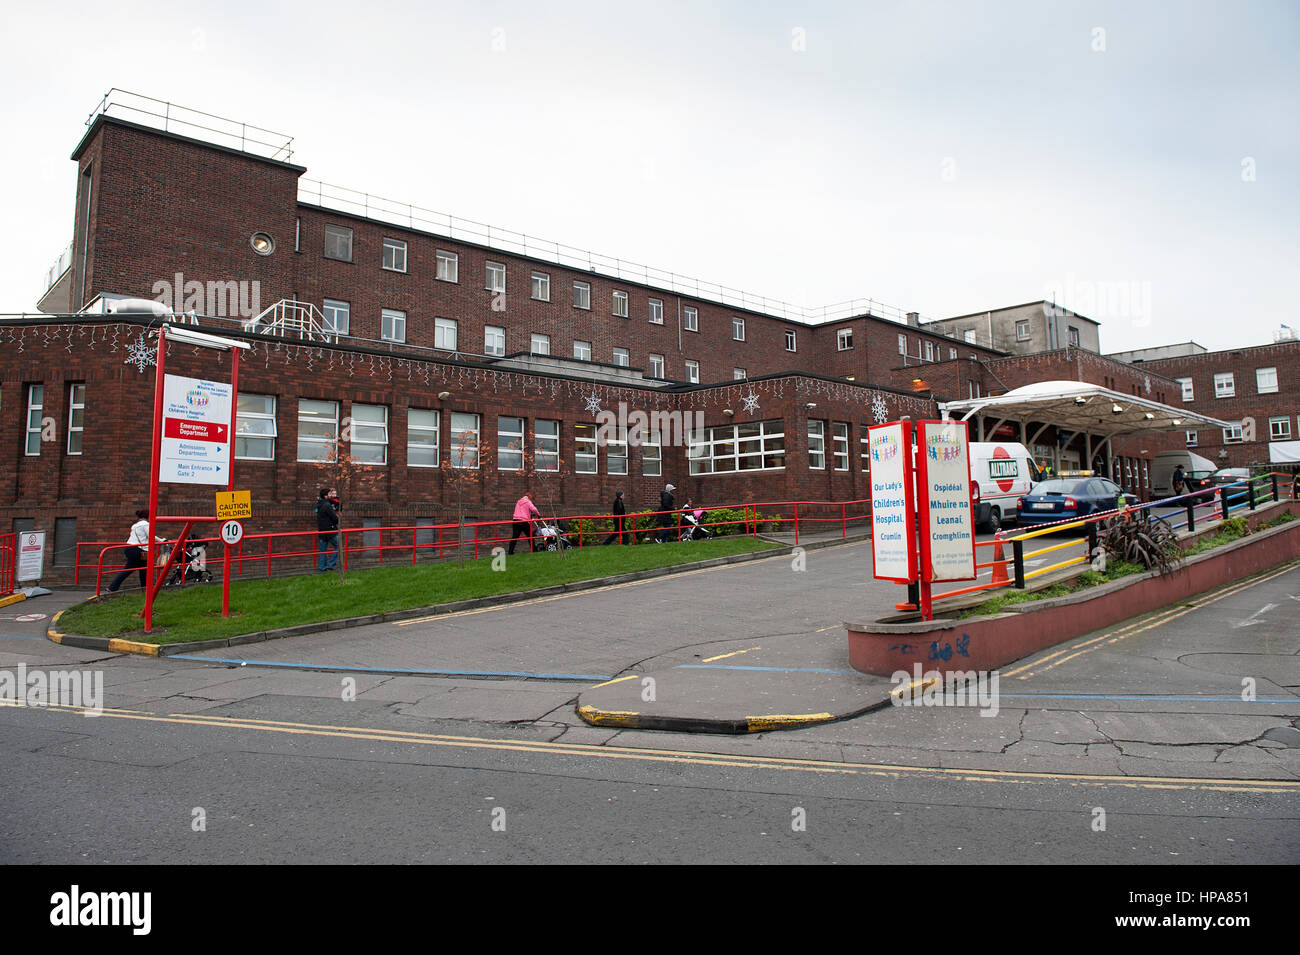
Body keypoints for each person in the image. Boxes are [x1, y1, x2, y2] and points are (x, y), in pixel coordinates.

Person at [107, 509, 163, 592]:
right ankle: (112, 587)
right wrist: (162, 541)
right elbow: (151, 535)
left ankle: (145, 589)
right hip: (137, 550)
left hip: (131, 548)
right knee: (129, 569)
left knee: (144, 569)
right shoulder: (145, 524)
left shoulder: (135, 525)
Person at [315, 487, 340, 572]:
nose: (331, 495)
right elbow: (335, 518)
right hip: (330, 530)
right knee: (338, 546)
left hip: (322, 530)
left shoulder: (319, 504)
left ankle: (322, 567)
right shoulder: (327, 505)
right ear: (326, 496)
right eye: (329, 494)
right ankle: (331, 564)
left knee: (323, 550)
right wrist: (337, 518)